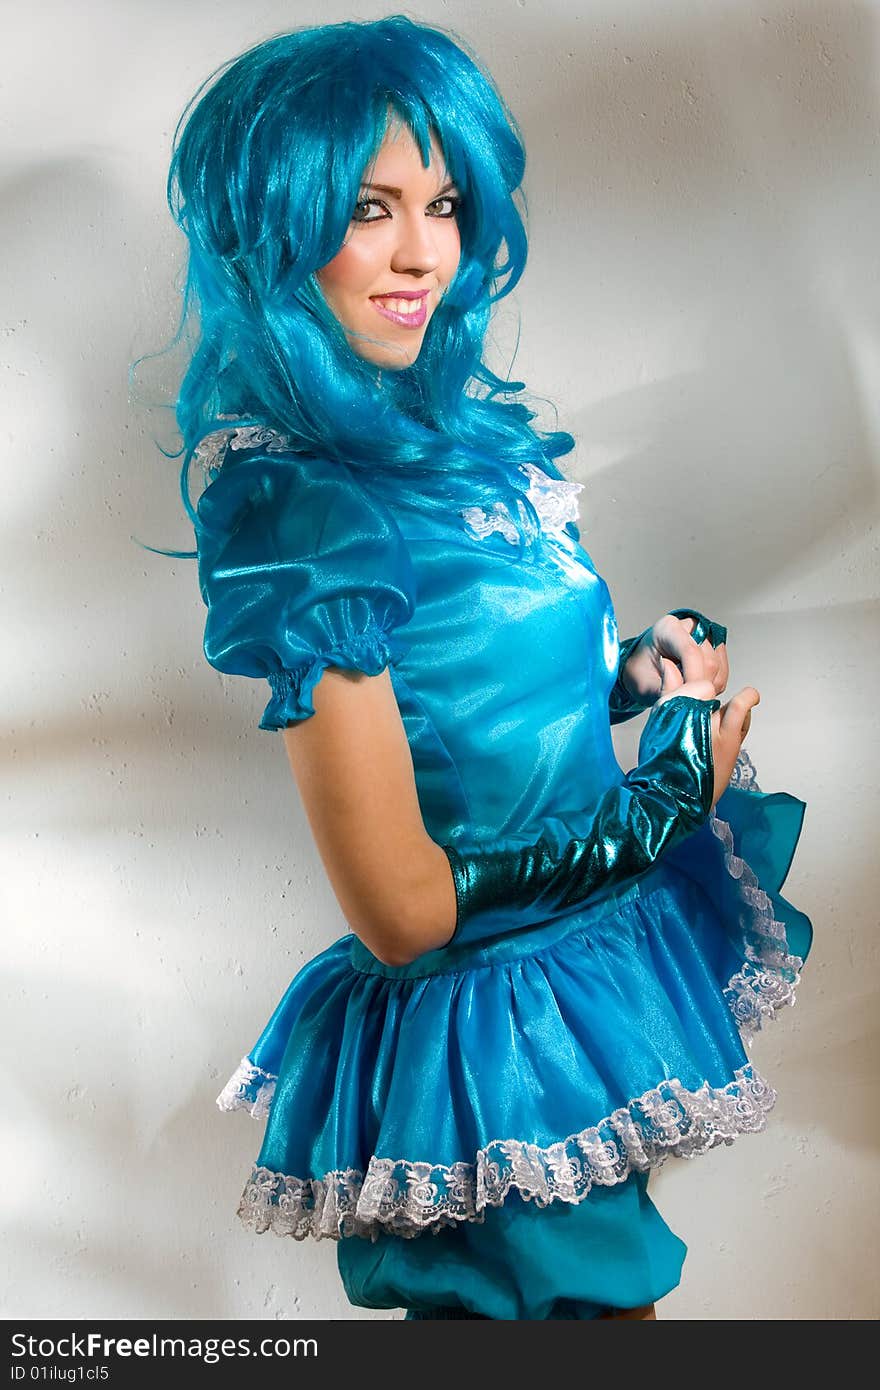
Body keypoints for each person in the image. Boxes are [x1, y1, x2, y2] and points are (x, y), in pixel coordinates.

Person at [150, 14, 813, 1320]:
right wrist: (671, 792)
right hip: (490, 1046)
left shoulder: (450, 441)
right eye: (368, 207)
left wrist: (630, 673)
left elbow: (470, 683)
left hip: (577, 988)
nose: (422, 253)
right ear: (277, 227)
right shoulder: (306, 514)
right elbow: (402, 904)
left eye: (442, 202)